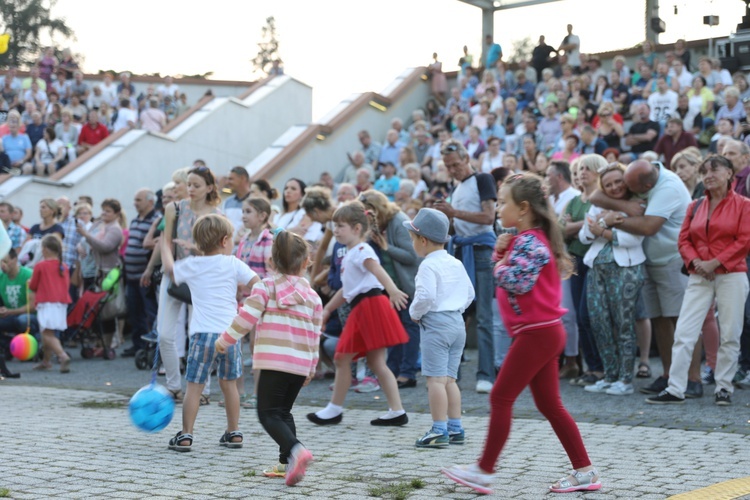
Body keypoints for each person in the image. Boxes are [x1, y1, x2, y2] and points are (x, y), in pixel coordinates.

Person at [441, 173, 600, 495]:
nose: (498, 209)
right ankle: (585, 471)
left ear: (524, 208)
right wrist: (505, 249)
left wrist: (497, 259)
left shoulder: (530, 241)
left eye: (503, 203)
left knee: (500, 397)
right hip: (540, 332)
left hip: (537, 333)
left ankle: (484, 471)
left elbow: (517, 281)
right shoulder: (528, 239)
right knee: (550, 405)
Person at [216, 229, 318, 485]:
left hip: (275, 362)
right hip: (300, 364)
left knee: (268, 414)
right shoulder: (313, 297)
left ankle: (296, 450)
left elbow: (246, 319)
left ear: (271, 262)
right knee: (283, 412)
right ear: (306, 262)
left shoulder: (266, 288)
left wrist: (224, 340)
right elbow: (316, 333)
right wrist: (312, 366)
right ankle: (286, 463)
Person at [647, 155, 750, 406]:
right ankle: (676, 387)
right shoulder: (695, 206)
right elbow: (683, 240)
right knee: (684, 331)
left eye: (715, 169)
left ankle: (723, 387)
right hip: (699, 275)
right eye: (705, 171)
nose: (709, 174)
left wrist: (714, 262)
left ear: (729, 174)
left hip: (731, 274)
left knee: (730, 333)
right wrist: (695, 263)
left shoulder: (744, 205)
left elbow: (744, 240)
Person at [592, 159, 691, 396]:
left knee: (680, 323)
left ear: (644, 187)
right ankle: (667, 376)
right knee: (659, 321)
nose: (619, 187)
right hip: (651, 262)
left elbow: (647, 227)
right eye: (615, 183)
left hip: (672, 259)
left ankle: (691, 379)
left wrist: (611, 223)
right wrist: (625, 206)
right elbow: (595, 195)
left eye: (623, 183)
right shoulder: (636, 180)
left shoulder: (667, 187)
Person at [307, 201, 409, 427]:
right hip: (365, 306)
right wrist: (328, 309)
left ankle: (334, 410)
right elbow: (347, 289)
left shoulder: (362, 250)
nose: (336, 230)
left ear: (356, 229)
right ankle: (397, 410)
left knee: (342, 358)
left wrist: (392, 290)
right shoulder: (351, 253)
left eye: (340, 225)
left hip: (369, 307)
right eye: (334, 225)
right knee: (375, 362)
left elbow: (377, 269)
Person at [167, 214, 258, 453]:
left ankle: (186, 435)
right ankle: (234, 431)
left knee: (195, 386)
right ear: (225, 240)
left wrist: (164, 246)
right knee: (229, 385)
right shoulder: (232, 263)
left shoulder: (193, 263)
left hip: (202, 335)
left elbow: (170, 271)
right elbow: (257, 283)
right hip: (230, 334)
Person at [405, 208, 474, 447]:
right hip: (457, 323)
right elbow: (469, 294)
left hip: (436, 324)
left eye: (413, 238)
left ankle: (438, 429)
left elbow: (425, 295)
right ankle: (456, 428)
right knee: (450, 380)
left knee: (435, 380)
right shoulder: (455, 262)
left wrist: (414, 313)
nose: (412, 243)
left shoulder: (427, 266)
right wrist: (455, 310)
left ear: (423, 240)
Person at [434, 140, 497, 393]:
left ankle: (486, 374)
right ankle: (453, 372)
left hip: (481, 251)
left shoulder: (483, 179)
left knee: (483, 317)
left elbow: (488, 217)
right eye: (448, 166)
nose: (452, 170)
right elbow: (458, 222)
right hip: (462, 251)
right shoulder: (457, 186)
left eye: (455, 164)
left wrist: (453, 212)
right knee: (457, 315)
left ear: (466, 158)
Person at [578, 163, 646, 396]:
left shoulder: (637, 205)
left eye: (618, 181)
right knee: (599, 323)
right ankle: (610, 375)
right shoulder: (598, 205)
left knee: (624, 324)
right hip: (597, 269)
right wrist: (604, 223)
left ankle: (625, 379)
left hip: (626, 269)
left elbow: (634, 239)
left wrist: (603, 229)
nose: (615, 187)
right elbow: (584, 235)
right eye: (608, 184)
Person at [159, 166, 222, 402]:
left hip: (202, 278)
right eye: (189, 184)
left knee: (198, 335)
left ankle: (202, 390)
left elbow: (222, 252)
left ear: (209, 187)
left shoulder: (217, 216)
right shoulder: (174, 208)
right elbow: (165, 242)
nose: (191, 189)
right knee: (164, 334)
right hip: (174, 273)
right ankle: (174, 385)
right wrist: (169, 267)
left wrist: (195, 248)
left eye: (196, 185)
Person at [358, 190, 421, 389]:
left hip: (405, 285)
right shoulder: (378, 225)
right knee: (393, 328)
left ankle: (407, 373)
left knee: (409, 328)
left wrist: (385, 247)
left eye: (367, 212)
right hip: (389, 287)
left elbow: (411, 256)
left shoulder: (399, 221)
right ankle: (392, 371)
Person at [76, 199, 124, 352]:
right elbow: (86, 240)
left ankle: (108, 344)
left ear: (116, 214)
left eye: (108, 211)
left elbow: (105, 247)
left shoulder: (116, 229)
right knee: (98, 310)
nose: (104, 213)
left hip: (109, 272)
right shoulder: (98, 224)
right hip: (97, 270)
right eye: (103, 210)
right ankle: (101, 342)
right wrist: (80, 245)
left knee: (108, 311)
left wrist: (85, 235)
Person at [121, 189, 159, 357]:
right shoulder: (135, 220)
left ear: (150, 202)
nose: (135, 203)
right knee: (135, 312)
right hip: (131, 276)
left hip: (145, 276)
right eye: (135, 200)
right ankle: (138, 345)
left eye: (139, 200)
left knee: (149, 312)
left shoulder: (155, 220)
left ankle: (150, 348)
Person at [29, 234, 72, 373]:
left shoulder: (40, 266)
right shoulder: (63, 266)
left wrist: (30, 283)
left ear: (46, 249)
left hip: (46, 302)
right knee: (47, 332)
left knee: (47, 334)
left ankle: (62, 355)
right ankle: (46, 361)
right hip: (60, 303)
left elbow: (33, 285)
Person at [274, 178, 322, 243]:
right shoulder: (277, 215)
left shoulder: (306, 213)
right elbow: (269, 234)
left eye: (293, 189)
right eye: (286, 188)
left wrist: (277, 232)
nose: (288, 191)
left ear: (302, 195)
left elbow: (297, 236)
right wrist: (291, 230)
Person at [222, 166, 252, 243]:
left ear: (242, 178)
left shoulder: (255, 201)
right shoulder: (227, 202)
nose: (227, 182)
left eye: (231, 179)